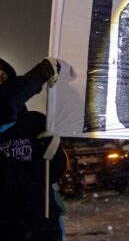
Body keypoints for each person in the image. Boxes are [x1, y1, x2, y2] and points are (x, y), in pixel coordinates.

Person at [0, 57, 68, 241]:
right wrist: (38, 76)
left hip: (42, 227)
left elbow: (55, 172)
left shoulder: (35, 121)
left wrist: (55, 153)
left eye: (4, 77)